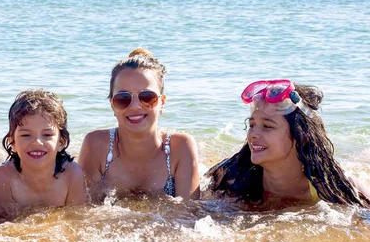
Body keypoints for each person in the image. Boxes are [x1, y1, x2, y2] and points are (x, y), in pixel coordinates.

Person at [206, 80, 370, 206]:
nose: (253, 134)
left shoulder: (335, 188)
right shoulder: (232, 180)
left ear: (302, 135)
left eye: (268, 126)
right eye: (252, 125)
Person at [79, 48, 200, 202]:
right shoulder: (96, 145)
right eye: (123, 98)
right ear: (112, 105)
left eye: (147, 97)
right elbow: (82, 210)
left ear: (162, 102)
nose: (135, 106)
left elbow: (189, 214)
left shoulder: (181, 148)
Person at [0, 90, 87, 221]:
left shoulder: (72, 174)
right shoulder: (3, 177)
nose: (37, 142)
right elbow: (2, 223)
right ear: (12, 142)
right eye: (26, 135)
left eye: (47, 135)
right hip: (11, 164)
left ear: (61, 142)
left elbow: (77, 220)